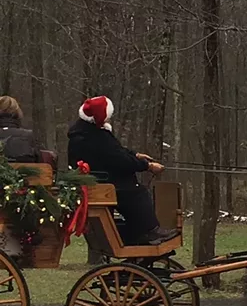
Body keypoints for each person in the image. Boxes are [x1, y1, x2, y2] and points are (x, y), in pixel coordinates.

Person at [66, 96, 173, 245]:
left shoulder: (84, 132)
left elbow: (116, 151)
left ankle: (142, 231)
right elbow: (119, 159)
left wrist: (135, 155)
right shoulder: (97, 136)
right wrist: (147, 166)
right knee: (138, 193)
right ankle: (148, 231)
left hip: (99, 179)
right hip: (107, 183)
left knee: (133, 190)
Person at [0, 96, 41, 163]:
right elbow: (40, 164)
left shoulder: (28, 135)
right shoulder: (28, 135)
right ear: (17, 113)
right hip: (29, 173)